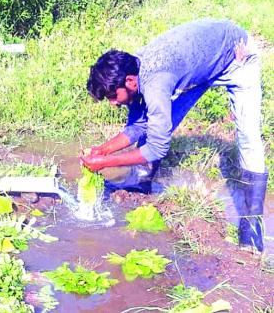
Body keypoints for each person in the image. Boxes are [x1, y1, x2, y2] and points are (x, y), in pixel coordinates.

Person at [81, 19, 269, 255]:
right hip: (203, 63)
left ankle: (252, 226)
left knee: (248, 135)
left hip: (237, 54)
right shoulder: (133, 68)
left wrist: (104, 164)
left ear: (129, 82)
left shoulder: (155, 81)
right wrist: (103, 150)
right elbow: (140, 124)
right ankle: (141, 182)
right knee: (156, 120)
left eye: (112, 96)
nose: (113, 103)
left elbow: (157, 148)